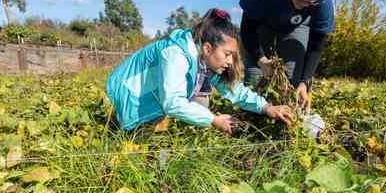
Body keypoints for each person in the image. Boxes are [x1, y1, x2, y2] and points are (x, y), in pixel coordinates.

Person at [105, 8, 294, 135]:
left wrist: (267, 107)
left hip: (150, 100)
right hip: (125, 96)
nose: (230, 61)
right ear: (207, 48)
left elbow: (234, 90)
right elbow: (172, 102)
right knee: (124, 142)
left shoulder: (206, 64)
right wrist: (213, 120)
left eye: (232, 55)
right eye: (227, 54)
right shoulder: (176, 54)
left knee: (149, 145)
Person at [239, 0, 336, 112]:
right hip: (262, 23)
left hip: (297, 25)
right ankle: (252, 121)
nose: (308, 3)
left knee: (292, 80)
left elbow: (317, 43)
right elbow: (248, 28)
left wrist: (305, 82)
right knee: (255, 79)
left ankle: (286, 121)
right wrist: (261, 60)